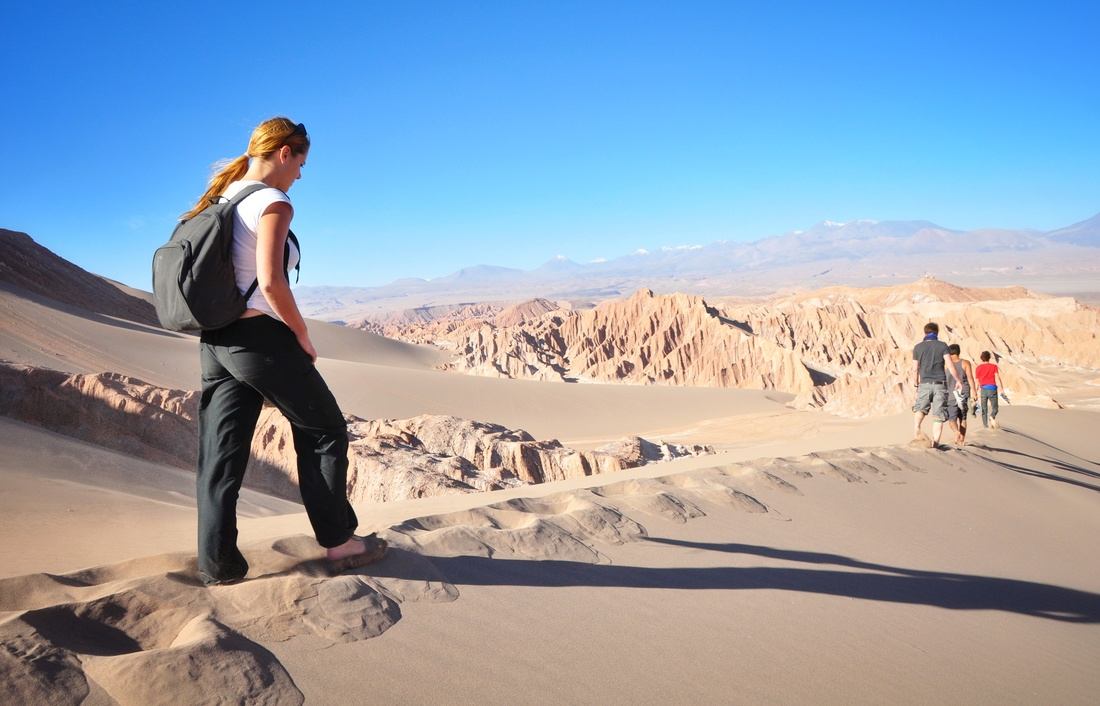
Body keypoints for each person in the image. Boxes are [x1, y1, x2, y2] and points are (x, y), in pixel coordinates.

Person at [189, 117, 385, 585]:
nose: (301, 173)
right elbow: (272, 282)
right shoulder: (273, 202)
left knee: (221, 456)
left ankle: (218, 566)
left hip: (216, 342)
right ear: (284, 154)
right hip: (259, 339)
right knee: (324, 430)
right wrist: (301, 334)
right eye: (301, 161)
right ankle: (339, 541)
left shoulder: (225, 197)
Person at [911, 322, 962, 448]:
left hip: (924, 384)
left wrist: (915, 384)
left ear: (925, 332)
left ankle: (917, 428)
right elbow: (950, 365)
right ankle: (935, 443)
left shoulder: (918, 347)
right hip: (940, 385)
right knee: (938, 416)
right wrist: (958, 380)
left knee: (920, 409)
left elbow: (914, 369)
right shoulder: (942, 346)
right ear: (937, 332)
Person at [944, 343, 978, 445]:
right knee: (962, 418)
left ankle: (956, 432)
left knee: (951, 419)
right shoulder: (965, 363)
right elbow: (970, 378)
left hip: (951, 395)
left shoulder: (946, 365)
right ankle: (961, 441)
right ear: (959, 352)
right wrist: (974, 392)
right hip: (964, 393)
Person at [974, 351, 1006, 429]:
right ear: (989, 357)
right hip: (992, 389)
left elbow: (977, 382)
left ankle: (985, 426)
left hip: (983, 390)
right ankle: (992, 416)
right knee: (995, 408)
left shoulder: (978, 368)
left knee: (984, 409)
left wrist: (975, 392)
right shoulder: (994, 366)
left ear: (981, 358)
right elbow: (997, 378)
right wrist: (1001, 388)